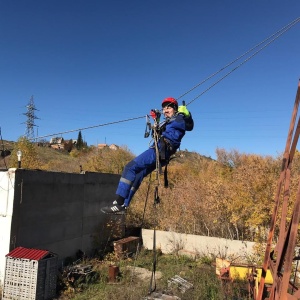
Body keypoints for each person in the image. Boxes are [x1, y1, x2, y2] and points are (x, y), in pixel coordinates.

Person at [100, 97, 193, 214]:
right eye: (164, 108)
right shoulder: (168, 123)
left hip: (160, 149)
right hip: (164, 153)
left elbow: (189, 126)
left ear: (175, 109)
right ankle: (124, 204)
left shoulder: (179, 118)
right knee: (138, 174)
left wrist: (188, 114)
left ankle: (119, 202)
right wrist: (157, 120)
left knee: (130, 168)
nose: (165, 110)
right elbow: (158, 132)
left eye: (168, 107)